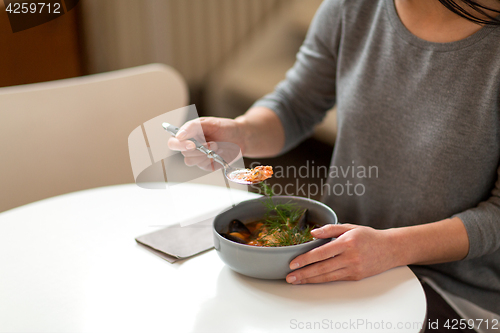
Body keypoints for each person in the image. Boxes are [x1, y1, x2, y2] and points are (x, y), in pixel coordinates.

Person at [169, 0, 500, 331]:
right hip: (335, 259)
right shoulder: (352, 7)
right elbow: (295, 105)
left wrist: (392, 249)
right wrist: (240, 132)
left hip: (457, 292)